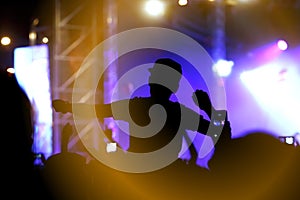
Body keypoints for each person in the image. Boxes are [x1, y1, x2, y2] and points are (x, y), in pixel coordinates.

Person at [53, 58, 230, 162]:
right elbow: (221, 134)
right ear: (175, 86)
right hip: (170, 180)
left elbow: (97, 111)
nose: (151, 79)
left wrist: (68, 107)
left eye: (154, 76)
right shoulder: (179, 113)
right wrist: (208, 109)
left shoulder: (137, 107)